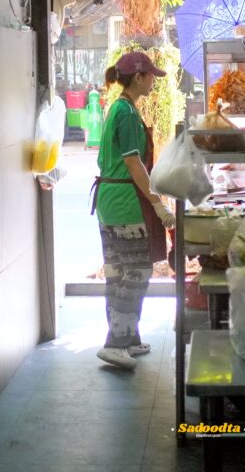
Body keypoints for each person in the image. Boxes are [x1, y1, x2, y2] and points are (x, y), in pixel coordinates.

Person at [89, 51, 176, 370]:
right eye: (151, 76)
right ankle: (115, 344)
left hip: (109, 200)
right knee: (138, 271)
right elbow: (133, 162)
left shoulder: (119, 107)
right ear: (138, 77)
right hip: (125, 200)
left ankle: (128, 338)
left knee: (117, 273)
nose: (154, 81)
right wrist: (157, 203)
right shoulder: (125, 112)